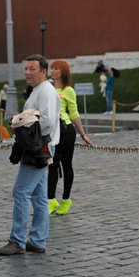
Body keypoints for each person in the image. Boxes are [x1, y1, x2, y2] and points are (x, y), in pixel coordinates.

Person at [0, 56, 59, 256]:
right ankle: (38, 240)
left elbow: (47, 122)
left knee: (21, 192)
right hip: (41, 147)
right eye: (25, 68)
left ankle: (17, 241)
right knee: (39, 196)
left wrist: (21, 127)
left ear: (43, 71)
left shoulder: (46, 92)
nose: (27, 72)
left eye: (32, 68)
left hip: (39, 148)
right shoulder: (40, 90)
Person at [46, 60, 94, 215]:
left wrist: (83, 134)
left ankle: (66, 200)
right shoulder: (47, 87)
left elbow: (74, 113)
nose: (52, 71)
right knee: (51, 164)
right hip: (51, 132)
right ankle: (50, 200)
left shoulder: (68, 91)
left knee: (66, 165)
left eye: (56, 69)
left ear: (63, 71)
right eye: (52, 68)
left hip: (66, 131)